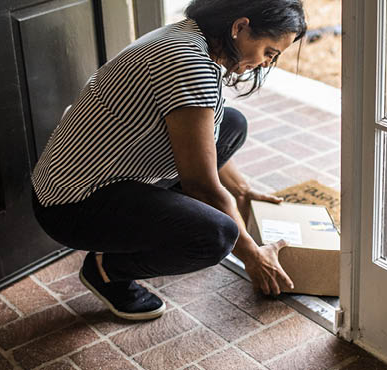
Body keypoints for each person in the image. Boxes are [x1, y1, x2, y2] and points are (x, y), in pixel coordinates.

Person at [31, 0, 307, 320]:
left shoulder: (186, 36)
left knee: (231, 124)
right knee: (216, 236)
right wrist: (252, 255)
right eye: (269, 52)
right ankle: (106, 270)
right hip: (70, 206)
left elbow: (204, 138)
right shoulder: (189, 64)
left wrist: (242, 191)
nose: (263, 64)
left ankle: (164, 221)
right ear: (239, 27)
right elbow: (201, 185)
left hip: (92, 177)